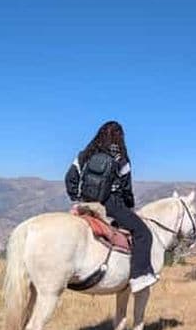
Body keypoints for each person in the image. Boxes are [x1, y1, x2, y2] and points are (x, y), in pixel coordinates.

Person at [65, 121, 158, 293]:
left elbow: (70, 177)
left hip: (85, 203)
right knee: (143, 233)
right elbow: (126, 189)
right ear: (120, 138)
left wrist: (76, 198)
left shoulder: (84, 155)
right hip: (111, 204)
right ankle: (139, 276)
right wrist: (128, 207)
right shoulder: (121, 159)